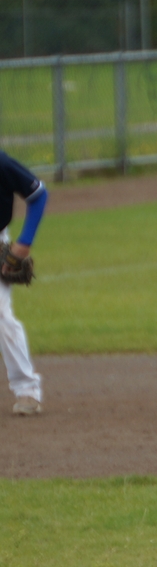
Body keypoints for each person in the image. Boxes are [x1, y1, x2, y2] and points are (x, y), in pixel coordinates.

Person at [0, 150, 48, 415]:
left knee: (1, 316)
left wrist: (24, 242)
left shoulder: (1, 163)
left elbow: (38, 195)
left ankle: (27, 389)